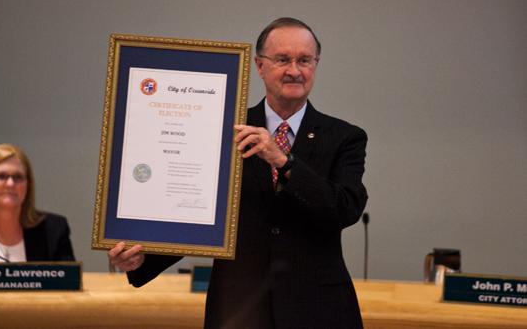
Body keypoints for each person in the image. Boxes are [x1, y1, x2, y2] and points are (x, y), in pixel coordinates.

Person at [108, 17, 367, 328]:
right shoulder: (221, 126)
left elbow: (345, 208)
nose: (294, 70)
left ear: (316, 64)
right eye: (282, 59)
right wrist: (142, 259)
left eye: (304, 60)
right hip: (238, 307)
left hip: (318, 309)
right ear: (259, 65)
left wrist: (283, 161)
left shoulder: (344, 137)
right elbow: (196, 211)